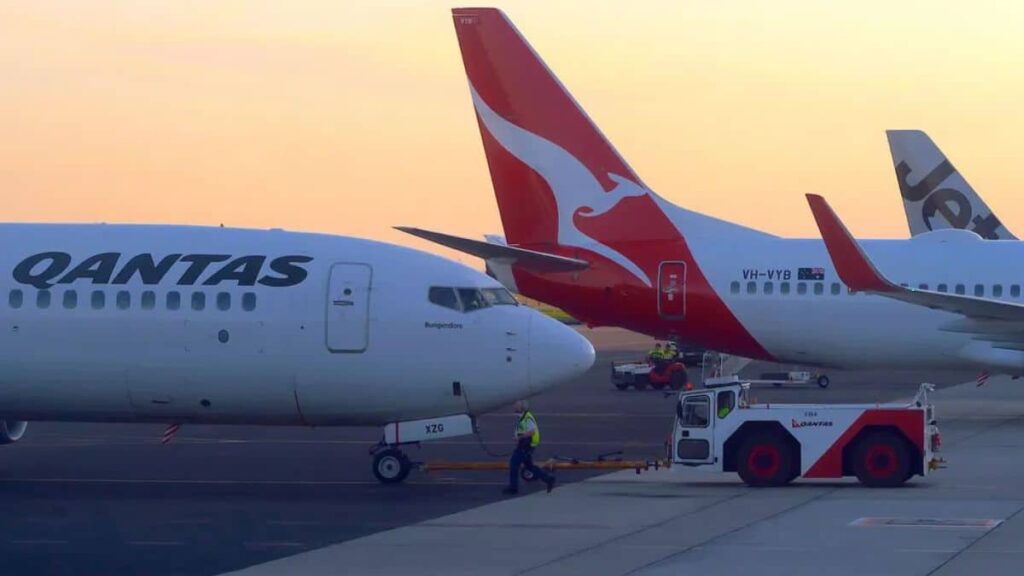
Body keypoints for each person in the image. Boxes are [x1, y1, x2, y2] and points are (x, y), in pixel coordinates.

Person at [504, 400, 555, 495]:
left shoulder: (527, 418)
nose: (514, 406)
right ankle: (548, 479)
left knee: (514, 464)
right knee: (529, 466)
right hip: (526, 445)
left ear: (521, 407)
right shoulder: (523, 417)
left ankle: (513, 487)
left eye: (517, 405)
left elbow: (532, 431)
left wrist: (519, 437)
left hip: (525, 446)